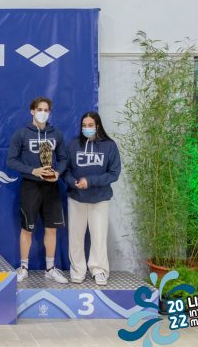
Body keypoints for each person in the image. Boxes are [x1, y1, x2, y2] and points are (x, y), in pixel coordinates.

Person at [7, 97, 69, 284]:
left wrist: (58, 173)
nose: (43, 113)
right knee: (27, 229)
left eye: (46, 110)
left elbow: (64, 158)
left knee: (51, 229)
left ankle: (50, 269)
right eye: (39, 109)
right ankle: (23, 268)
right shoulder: (22, 133)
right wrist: (32, 170)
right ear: (32, 111)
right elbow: (11, 160)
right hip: (30, 186)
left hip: (51, 187)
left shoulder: (56, 134)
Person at [64, 111, 121, 286]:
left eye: (90, 125)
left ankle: (99, 270)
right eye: (84, 125)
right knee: (75, 237)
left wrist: (90, 181)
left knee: (99, 236)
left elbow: (114, 173)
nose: (87, 128)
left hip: (100, 199)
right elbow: (65, 170)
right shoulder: (73, 145)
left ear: (97, 126)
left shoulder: (109, 146)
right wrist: (73, 182)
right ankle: (78, 270)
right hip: (76, 198)